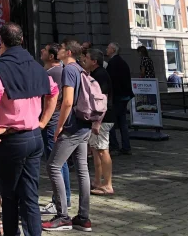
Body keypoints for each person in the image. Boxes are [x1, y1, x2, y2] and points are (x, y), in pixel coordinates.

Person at [0, 23, 59, 236]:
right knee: (30, 195)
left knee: (9, 195)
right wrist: (43, 121)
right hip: (34, 136)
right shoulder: (37, 66)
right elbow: (54, 91)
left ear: (2, 41)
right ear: (22, 40)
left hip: (12, 138)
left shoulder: (0, 67)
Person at [42, 39, 92, 232]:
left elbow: (68, 101)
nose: (59, 50)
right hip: (84, 125)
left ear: (68, 52)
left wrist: (59, 126)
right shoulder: (80, 69)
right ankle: (83, 217)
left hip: (72, 126)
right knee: (82, 170)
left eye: (61, 48)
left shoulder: (69, 70)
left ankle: (63, 216)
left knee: (53, 166)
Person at [38, 43, 71, 215]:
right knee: (59, 162)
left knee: (56, 163)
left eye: (44, 50)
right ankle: (64, 199)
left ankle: (60, 201)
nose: (41, 51)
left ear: (51, 56)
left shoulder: (54, 73)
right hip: (53, 122)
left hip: (52, 123)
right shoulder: (57, 72)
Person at [82, 49, 115, 196]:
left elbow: (102, 99)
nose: (84, 60)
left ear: (94, 61)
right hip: (98, 118)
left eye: (87, 58)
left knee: (102, 150)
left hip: (103, 119)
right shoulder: (95, 74)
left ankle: (107, 184)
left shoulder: (100, 75)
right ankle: (97, 181)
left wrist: (98, 121)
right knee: (96, 150)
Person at [105, 42, 135, 155]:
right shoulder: (122, 62)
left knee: (111, 122)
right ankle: (126, 146)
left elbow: (111, 82)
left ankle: (115, 146)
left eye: (108, 48)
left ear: (113, 50)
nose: (106, 50)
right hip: (124, 96)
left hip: (117, 97)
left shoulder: (113, 63)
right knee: (122, 122)